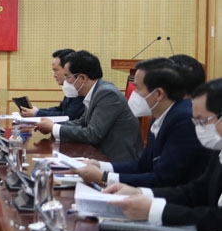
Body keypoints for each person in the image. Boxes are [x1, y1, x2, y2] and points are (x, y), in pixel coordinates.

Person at [105, 78, 222, 231]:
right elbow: (196, 192)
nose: (199, 129)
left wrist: (155, 210)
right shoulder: (218, 148)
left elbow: (217, 218)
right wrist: (141, 193)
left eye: (202, 121)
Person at [75, 57, 211, 187]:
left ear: (158, 94)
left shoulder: (183, 119)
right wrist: (100, 166)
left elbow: (163, 179)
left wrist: (104, 177)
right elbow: (143, 166)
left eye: (138, 88)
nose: (133, 93)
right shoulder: (158, 116)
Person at [34, 50, 142, 161]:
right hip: (98, 155)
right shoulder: (95, 91)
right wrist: (52, 126)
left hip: (116, 161)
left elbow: (93, 134)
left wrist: (54, 128)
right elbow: (81, 122)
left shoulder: (107, 94)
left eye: (67, 77)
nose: (65, 82)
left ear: (83, 78)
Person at [19, 48, 85, 120]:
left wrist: (37, 113)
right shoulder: (70, 89)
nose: (54, 75)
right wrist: (37, 111)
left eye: (56, 70)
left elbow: (68, 116)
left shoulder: (81, 89)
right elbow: (60, 109)